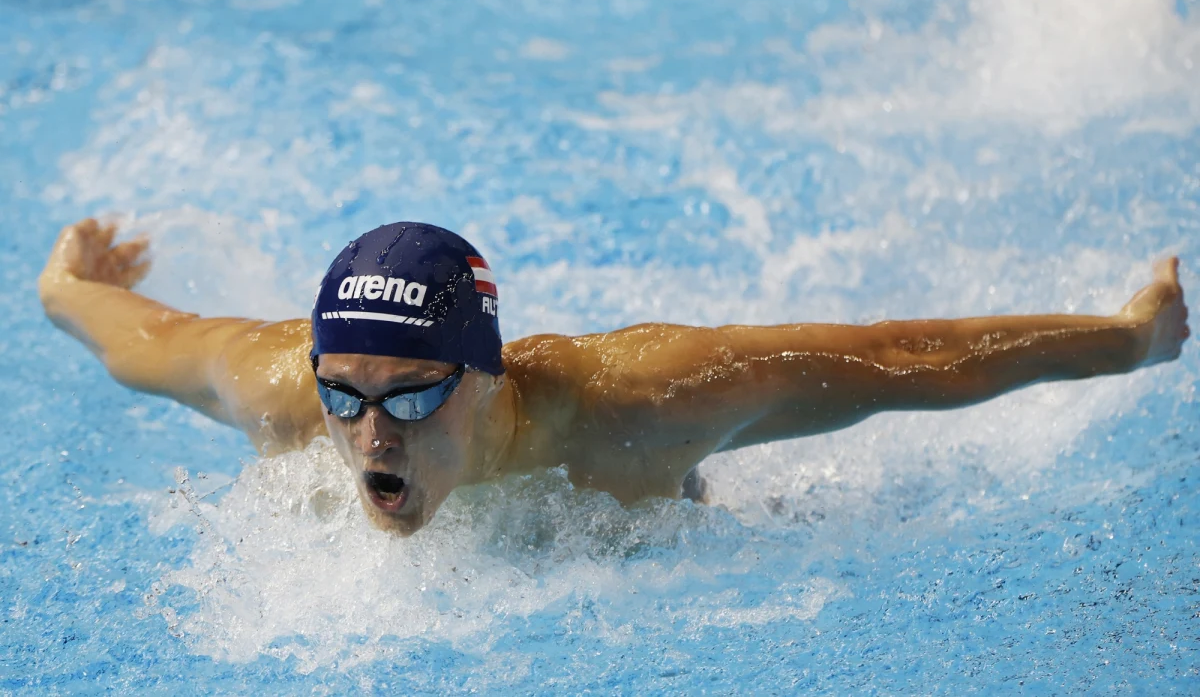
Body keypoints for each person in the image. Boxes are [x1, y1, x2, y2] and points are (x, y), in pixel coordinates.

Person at [39, 217, 1190, 535]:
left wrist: (1124, 338)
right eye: (347, 392)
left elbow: (893, 357)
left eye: (412, 394)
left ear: (488, 378)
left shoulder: (642, 402)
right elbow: (144, 334)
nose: (369, 431)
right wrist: (66, 280)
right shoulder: (295, 387)